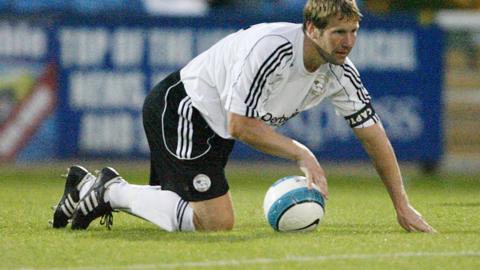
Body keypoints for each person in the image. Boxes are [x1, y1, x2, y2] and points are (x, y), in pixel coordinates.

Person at [51, 0, 435, 233]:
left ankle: (92, 188)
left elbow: (373, 135)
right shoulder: (272, 50)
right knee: (215, 223)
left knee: (187, 209)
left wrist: (401, 204)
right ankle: (108, 189)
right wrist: (303, 153)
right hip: (185, 108)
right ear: (311, 29)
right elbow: (240, 124)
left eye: (353, 31)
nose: (348, 42)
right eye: (338, 32)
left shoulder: (341, 71)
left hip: (214, 127)